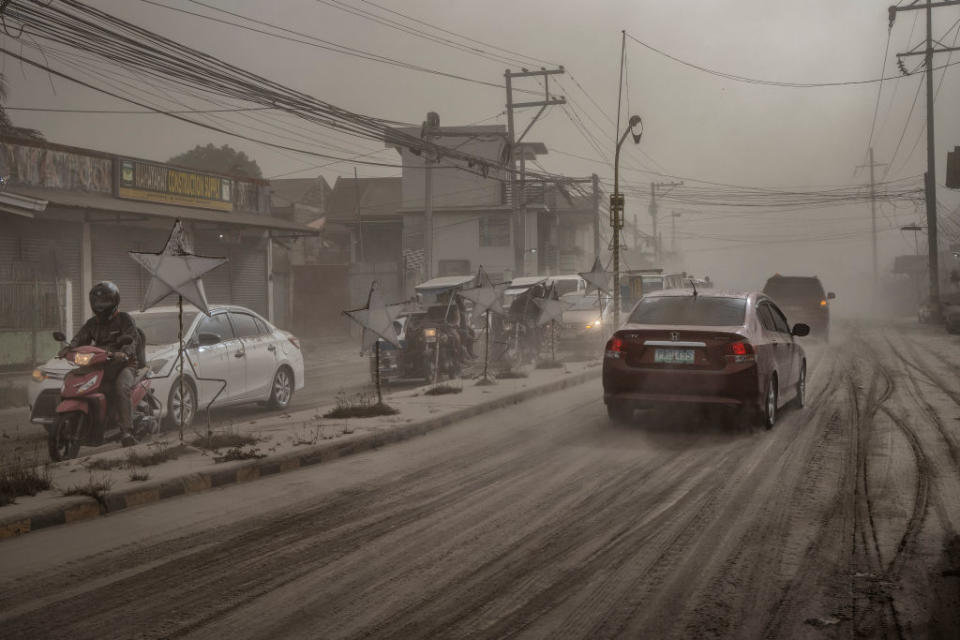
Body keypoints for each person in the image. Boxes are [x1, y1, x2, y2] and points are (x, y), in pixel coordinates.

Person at [62, 281, 140, 446]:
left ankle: (126, 432)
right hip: (100, 364)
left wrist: (124, 353)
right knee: (77, 383)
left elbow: (131, 339)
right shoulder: (92, 323)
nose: (100, 305)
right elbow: (80, 337)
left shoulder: (124, 319)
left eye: (105, 301)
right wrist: (68, 348)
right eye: (97, 302)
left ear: (114, 301)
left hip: (124, 365)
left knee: (121, 388)